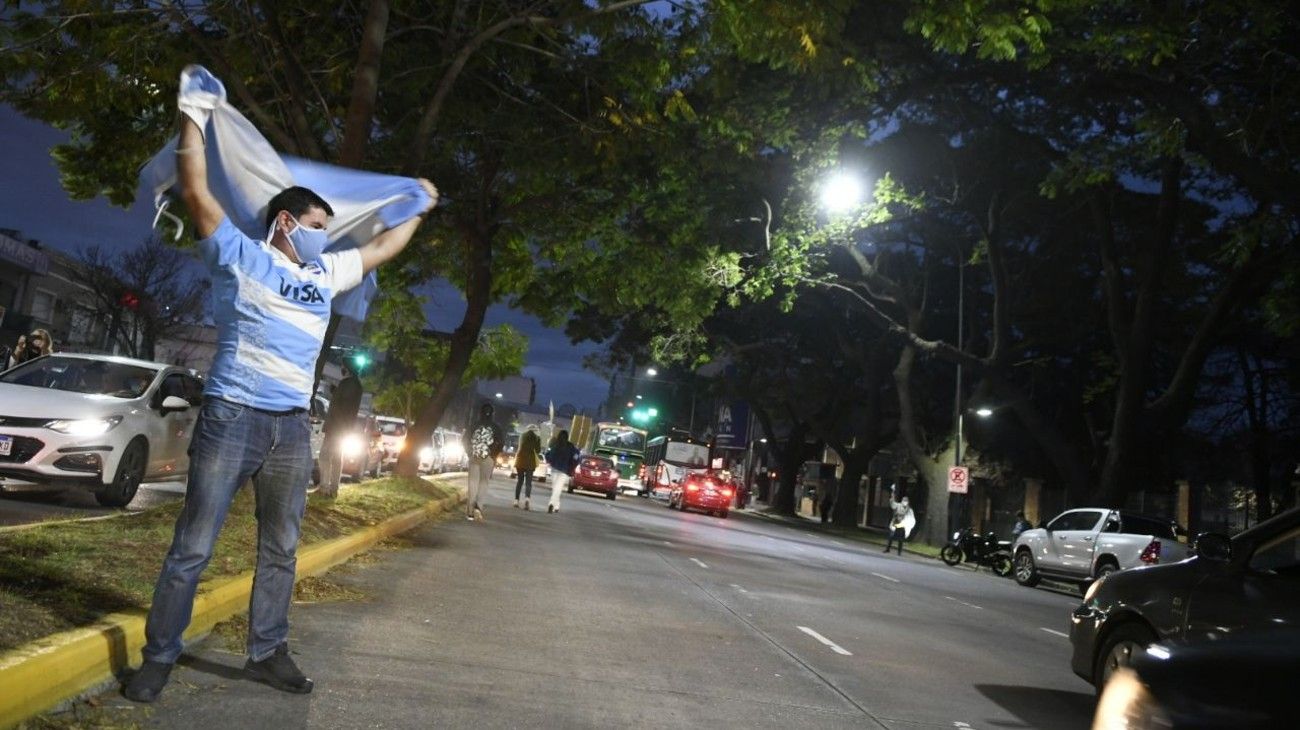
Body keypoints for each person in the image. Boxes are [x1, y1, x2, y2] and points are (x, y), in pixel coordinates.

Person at [123, 110, 437, 704]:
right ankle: (158, 658)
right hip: (231, 418)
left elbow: (382, 248)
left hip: (292, 429)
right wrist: (194, 119)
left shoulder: (324, 273)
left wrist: (418, 208)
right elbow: (196, 188)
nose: (327, 234)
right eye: (319, 224)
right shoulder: (240, 255)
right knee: (193, 545)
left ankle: (267, 652)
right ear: (288, 222)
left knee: (281, 548)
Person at [318, 363, 362, 498]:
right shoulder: (356, 385)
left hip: (337, 427)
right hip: (343, 428)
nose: (341, 369)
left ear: (347, 369)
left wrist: (334, 425)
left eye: (343, 367)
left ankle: (325, 487)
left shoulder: (349, 383)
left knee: (325, 456)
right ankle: (333, 488)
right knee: (337, 458)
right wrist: (335, 390)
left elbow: (341, 405)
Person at [464, 403, 504, 522]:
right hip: (488, 458)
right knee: (484, 482)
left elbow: (465, 440)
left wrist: (469, 453)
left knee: (473, 482)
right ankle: (479, 507)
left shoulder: (473, 425)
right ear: (492, 414)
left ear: (480, 412)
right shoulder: (496, 427)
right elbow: (501, 442)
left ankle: (470, 511)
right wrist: (493, 455)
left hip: (474, 456)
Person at [544, 430, 580, 514]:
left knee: (555, 488)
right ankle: (554, 504)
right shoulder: (570, 446)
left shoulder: (556, 445)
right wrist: (572, 466)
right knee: (558, 488)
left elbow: (548, 455)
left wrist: (550, 461)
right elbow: (576, 457)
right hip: (564, 470)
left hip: (554, 469)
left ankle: (554, 504)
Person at [513, 425, 541, 510]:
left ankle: (516, 500)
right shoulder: (537, 438)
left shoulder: (522, 436)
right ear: (535, 431)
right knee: (528, 483)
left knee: (520, 481)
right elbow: (538, 450)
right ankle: (527, 499)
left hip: (521, 460)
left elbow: (520, 447)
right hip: (530, 462)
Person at [884, 486, 914, 555]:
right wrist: (892, 493)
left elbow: (911, 518)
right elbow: (892, 503)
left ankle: (899, 552)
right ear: (902, 501)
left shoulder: (909, 510)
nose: (905, 502)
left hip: (903, 524)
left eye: (906, 501)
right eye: (904, 500)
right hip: (895, 522)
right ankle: (887, 549)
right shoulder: (898, 505)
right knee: (891, 536)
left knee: (900, 539)